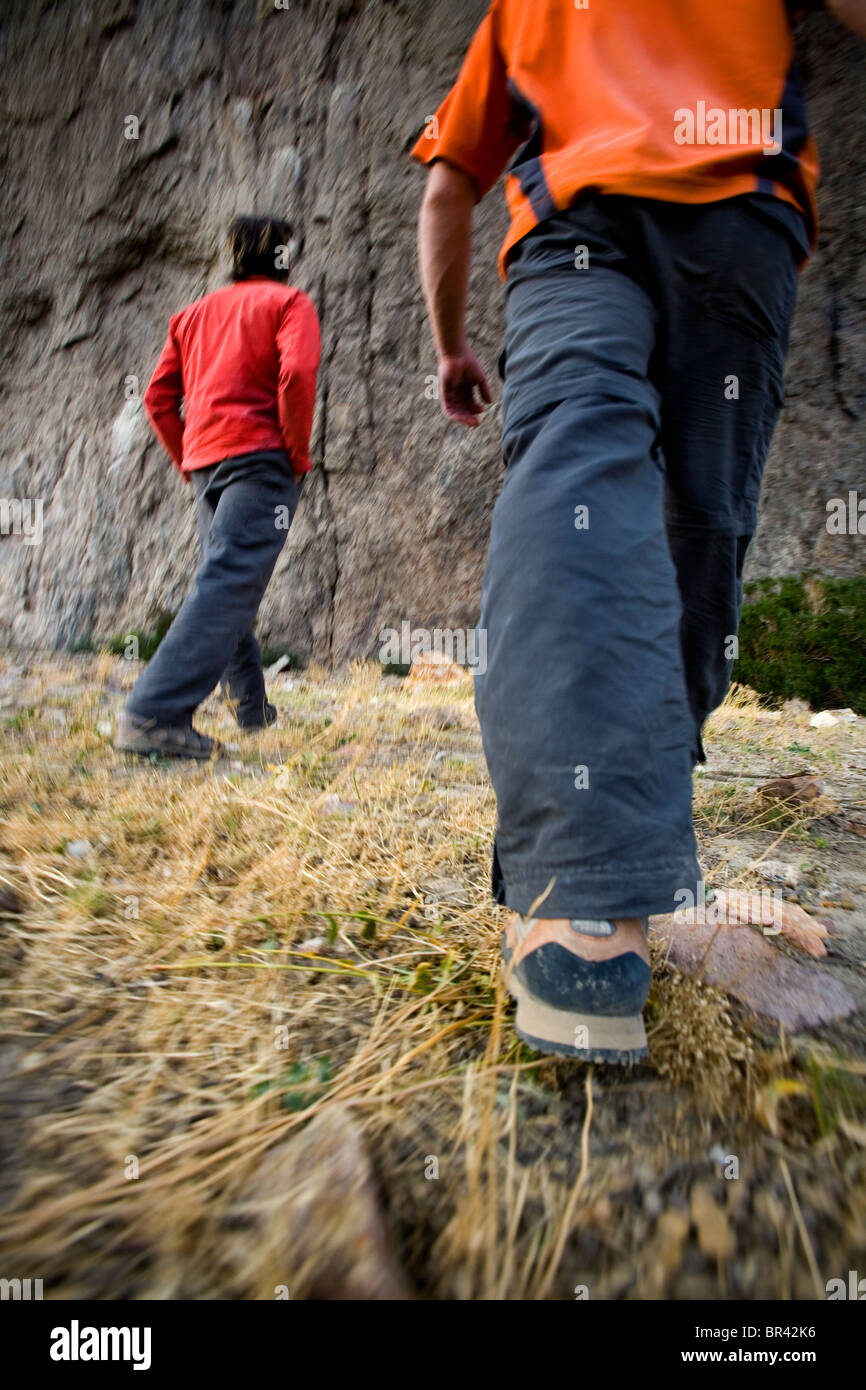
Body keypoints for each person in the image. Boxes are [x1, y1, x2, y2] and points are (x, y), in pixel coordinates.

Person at [413, 0, 865, 1062]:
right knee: (699, 525)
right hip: (736, 227)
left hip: (576, 230)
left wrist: (449, 346)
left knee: (578, 466)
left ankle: (594, 870)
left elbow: (447, 185)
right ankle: (600, 855)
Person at [116, 215, 321, 759]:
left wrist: (188, 459)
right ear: (281, 256)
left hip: (207, 463)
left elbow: (158, 399)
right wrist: (296, 453)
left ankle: (250, 711)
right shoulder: (289, 305)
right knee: (228, 583)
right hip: (261, 460)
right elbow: (297, 376)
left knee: (226, 581)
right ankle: (152, 716)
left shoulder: (191, 316)